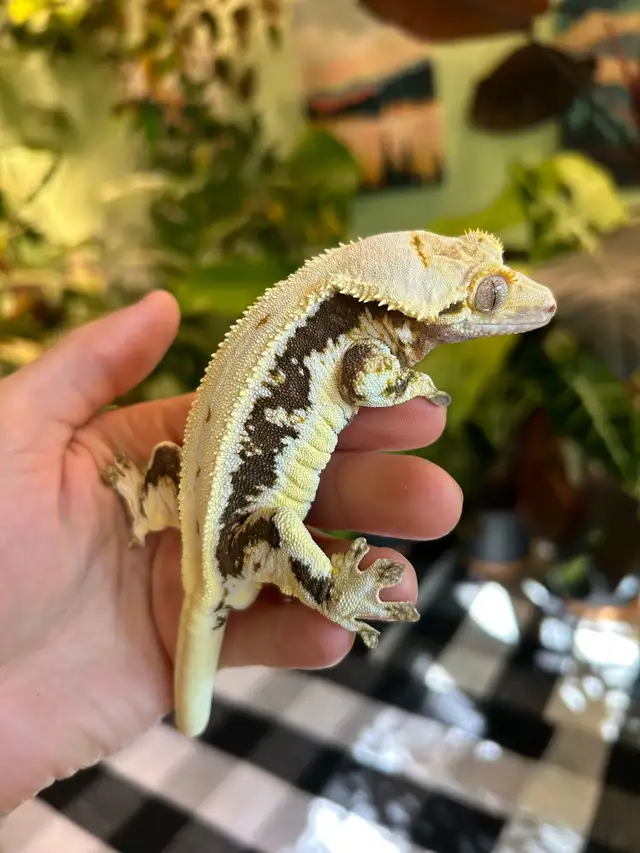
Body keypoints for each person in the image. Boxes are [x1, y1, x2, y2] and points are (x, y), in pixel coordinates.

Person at [0, 290, 462, 814]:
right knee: (273, 525)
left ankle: (143, 504)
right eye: (486, 296)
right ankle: (334, 597)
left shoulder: (335, 318)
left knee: (181, 472)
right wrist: (405, 382)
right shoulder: (346, 324)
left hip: (209, 532)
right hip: (232, 551)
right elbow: (361, 379)